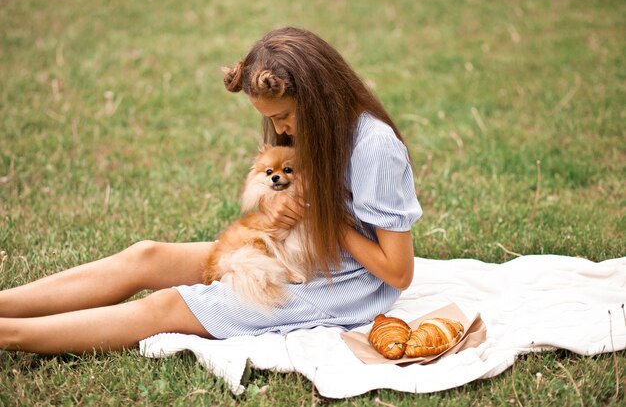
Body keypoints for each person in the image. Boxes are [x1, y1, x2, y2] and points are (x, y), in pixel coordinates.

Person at [0, 27, 422, 354]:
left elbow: (399, 272)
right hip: (300, 251)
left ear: (318, 96)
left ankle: (11, 334)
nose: (280, 129)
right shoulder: (317, 129)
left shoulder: (374, 148)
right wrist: (280, 210)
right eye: (271, 120)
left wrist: (323, 216)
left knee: (165, 307)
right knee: (145, 255)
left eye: (285, 116)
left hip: (346, 287)